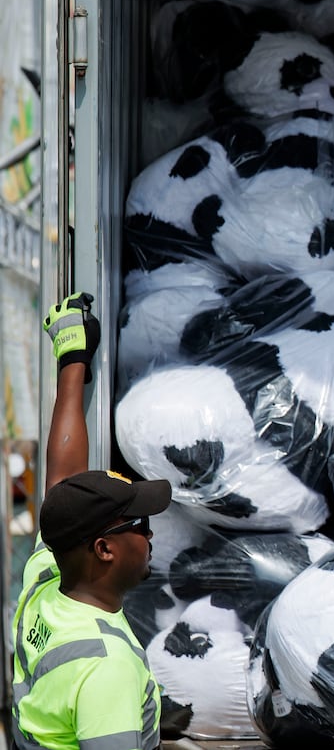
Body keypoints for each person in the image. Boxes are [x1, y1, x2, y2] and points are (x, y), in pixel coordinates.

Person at [11, 292, 172, 750]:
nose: (149, 533)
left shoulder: (45, 578)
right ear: (103, 548)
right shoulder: (108, 668)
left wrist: (72, 358)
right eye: (138, 523)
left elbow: (64, 479)